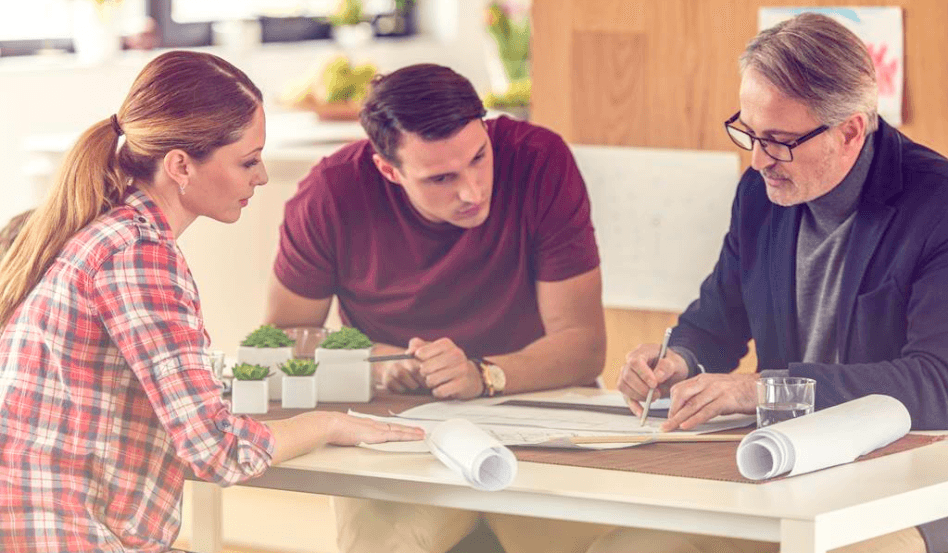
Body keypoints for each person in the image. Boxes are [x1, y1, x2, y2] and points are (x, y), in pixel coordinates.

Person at [0, 51, 422, 553]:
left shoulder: (107, 231)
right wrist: (327, 423)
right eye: (248, 161)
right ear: (180, 165)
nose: (261, 177)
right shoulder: (138, 255)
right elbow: (217, 451)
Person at [598, 12, 948, 553]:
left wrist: (761, 389)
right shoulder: (760, 193)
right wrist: (677, 360)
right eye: (750, 133)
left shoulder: (937, 204)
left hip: (906, 485)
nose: (759, 160)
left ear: (851, 131)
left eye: (780, 141)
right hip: (782, 473)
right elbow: (716, 321)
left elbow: (936, 385)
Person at [265, 63, 611, 552]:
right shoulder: (330, 194)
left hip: (539, 414)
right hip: (397, 429)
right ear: (389, 170)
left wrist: (481, 374)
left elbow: (583, 348)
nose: (473, 191)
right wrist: (374, 362)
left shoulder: (539, 159)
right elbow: (280, 341)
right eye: (441, 178)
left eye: (479, 157)